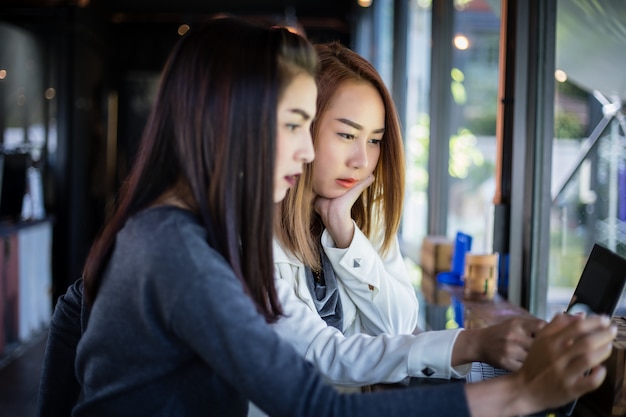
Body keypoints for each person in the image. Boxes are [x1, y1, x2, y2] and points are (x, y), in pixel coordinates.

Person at [38, 17, 616, 417]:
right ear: (234, 124)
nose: (311, 151)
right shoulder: (181, 250)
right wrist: (519, 396)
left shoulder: (179, 235)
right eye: (297, 124)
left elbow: (389, 330)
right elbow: (312, 399)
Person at [268, 41, 546, 390]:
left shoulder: (362, 216)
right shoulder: (251, 234)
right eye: (346, 134)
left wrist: (345, 233)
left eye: (374, 140)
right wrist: (471, 344)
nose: (361, 160)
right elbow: (321, 357)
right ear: (301, 127)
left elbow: (398, 325)